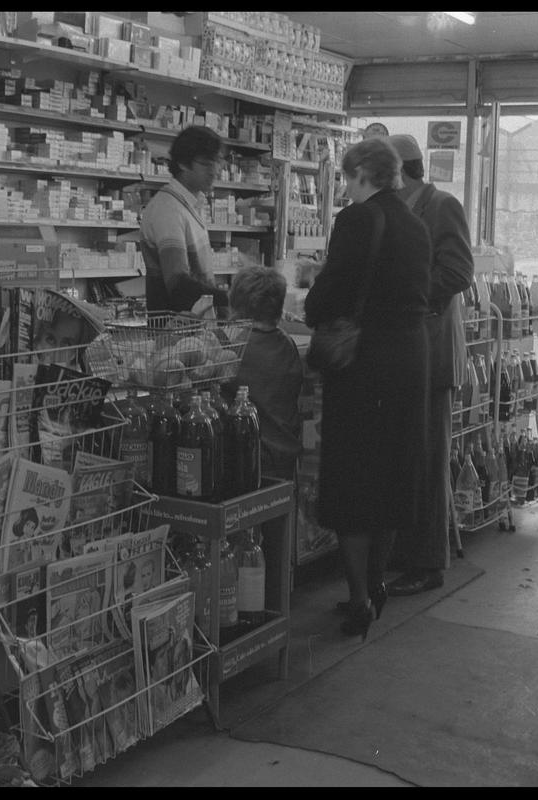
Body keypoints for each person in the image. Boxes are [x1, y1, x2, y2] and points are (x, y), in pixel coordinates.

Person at [303, 136, 431, 641]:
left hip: (365, 365)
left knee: (353, 478)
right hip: (409, 360)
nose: (345, 187)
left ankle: (359, 599)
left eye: (346, 178)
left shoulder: (356, 220)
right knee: (394, 473)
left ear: (360, 174)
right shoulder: (416, 224)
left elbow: (331, 292)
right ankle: (377, 582)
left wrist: (313, 304)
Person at [386, 133, 475, 597]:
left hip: (433, 350)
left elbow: (458, 272)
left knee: (428, 460)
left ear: (401, 171)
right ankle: (406, 554)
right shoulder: (402, 210)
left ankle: (428, 563)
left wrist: (405, 297)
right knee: (410, 458)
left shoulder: (441, 206)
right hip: (409, 350)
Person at [223, 266, 304, 483]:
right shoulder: (287, 343)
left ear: (236, 302)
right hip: (285, 458)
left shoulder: (232, 346)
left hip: (246, 457)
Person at [139, 125, 230, 315]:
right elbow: (178, 285)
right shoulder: (169, 210)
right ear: (182, 163)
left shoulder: (189, 204)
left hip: (195, 327)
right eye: (206, 164)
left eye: (217, 162)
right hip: (175, 330)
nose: (215, 171)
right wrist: (231, 298)